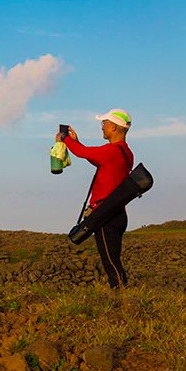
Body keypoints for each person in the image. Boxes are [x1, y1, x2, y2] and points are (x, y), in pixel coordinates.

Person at [58, 109, 134, 289]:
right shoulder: (126, 153)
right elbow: (93, 156)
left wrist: (64, 139)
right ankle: (121, 294)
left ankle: (121, 297)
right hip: (117, 213)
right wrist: (76, 142)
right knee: (112, 258)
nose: (102, 127)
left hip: (106, 215)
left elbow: (83, 153)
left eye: (104, 123)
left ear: (114, 127)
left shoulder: (112, 151)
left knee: (110, 261)